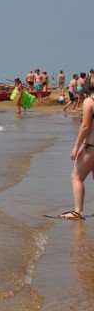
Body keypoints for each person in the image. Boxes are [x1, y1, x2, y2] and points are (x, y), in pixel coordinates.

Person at [60, 89, 94, 220]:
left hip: (91, 147)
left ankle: (78, 211)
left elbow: (86, 126)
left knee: (76, 177)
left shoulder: (89, 101)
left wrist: (76, 145)